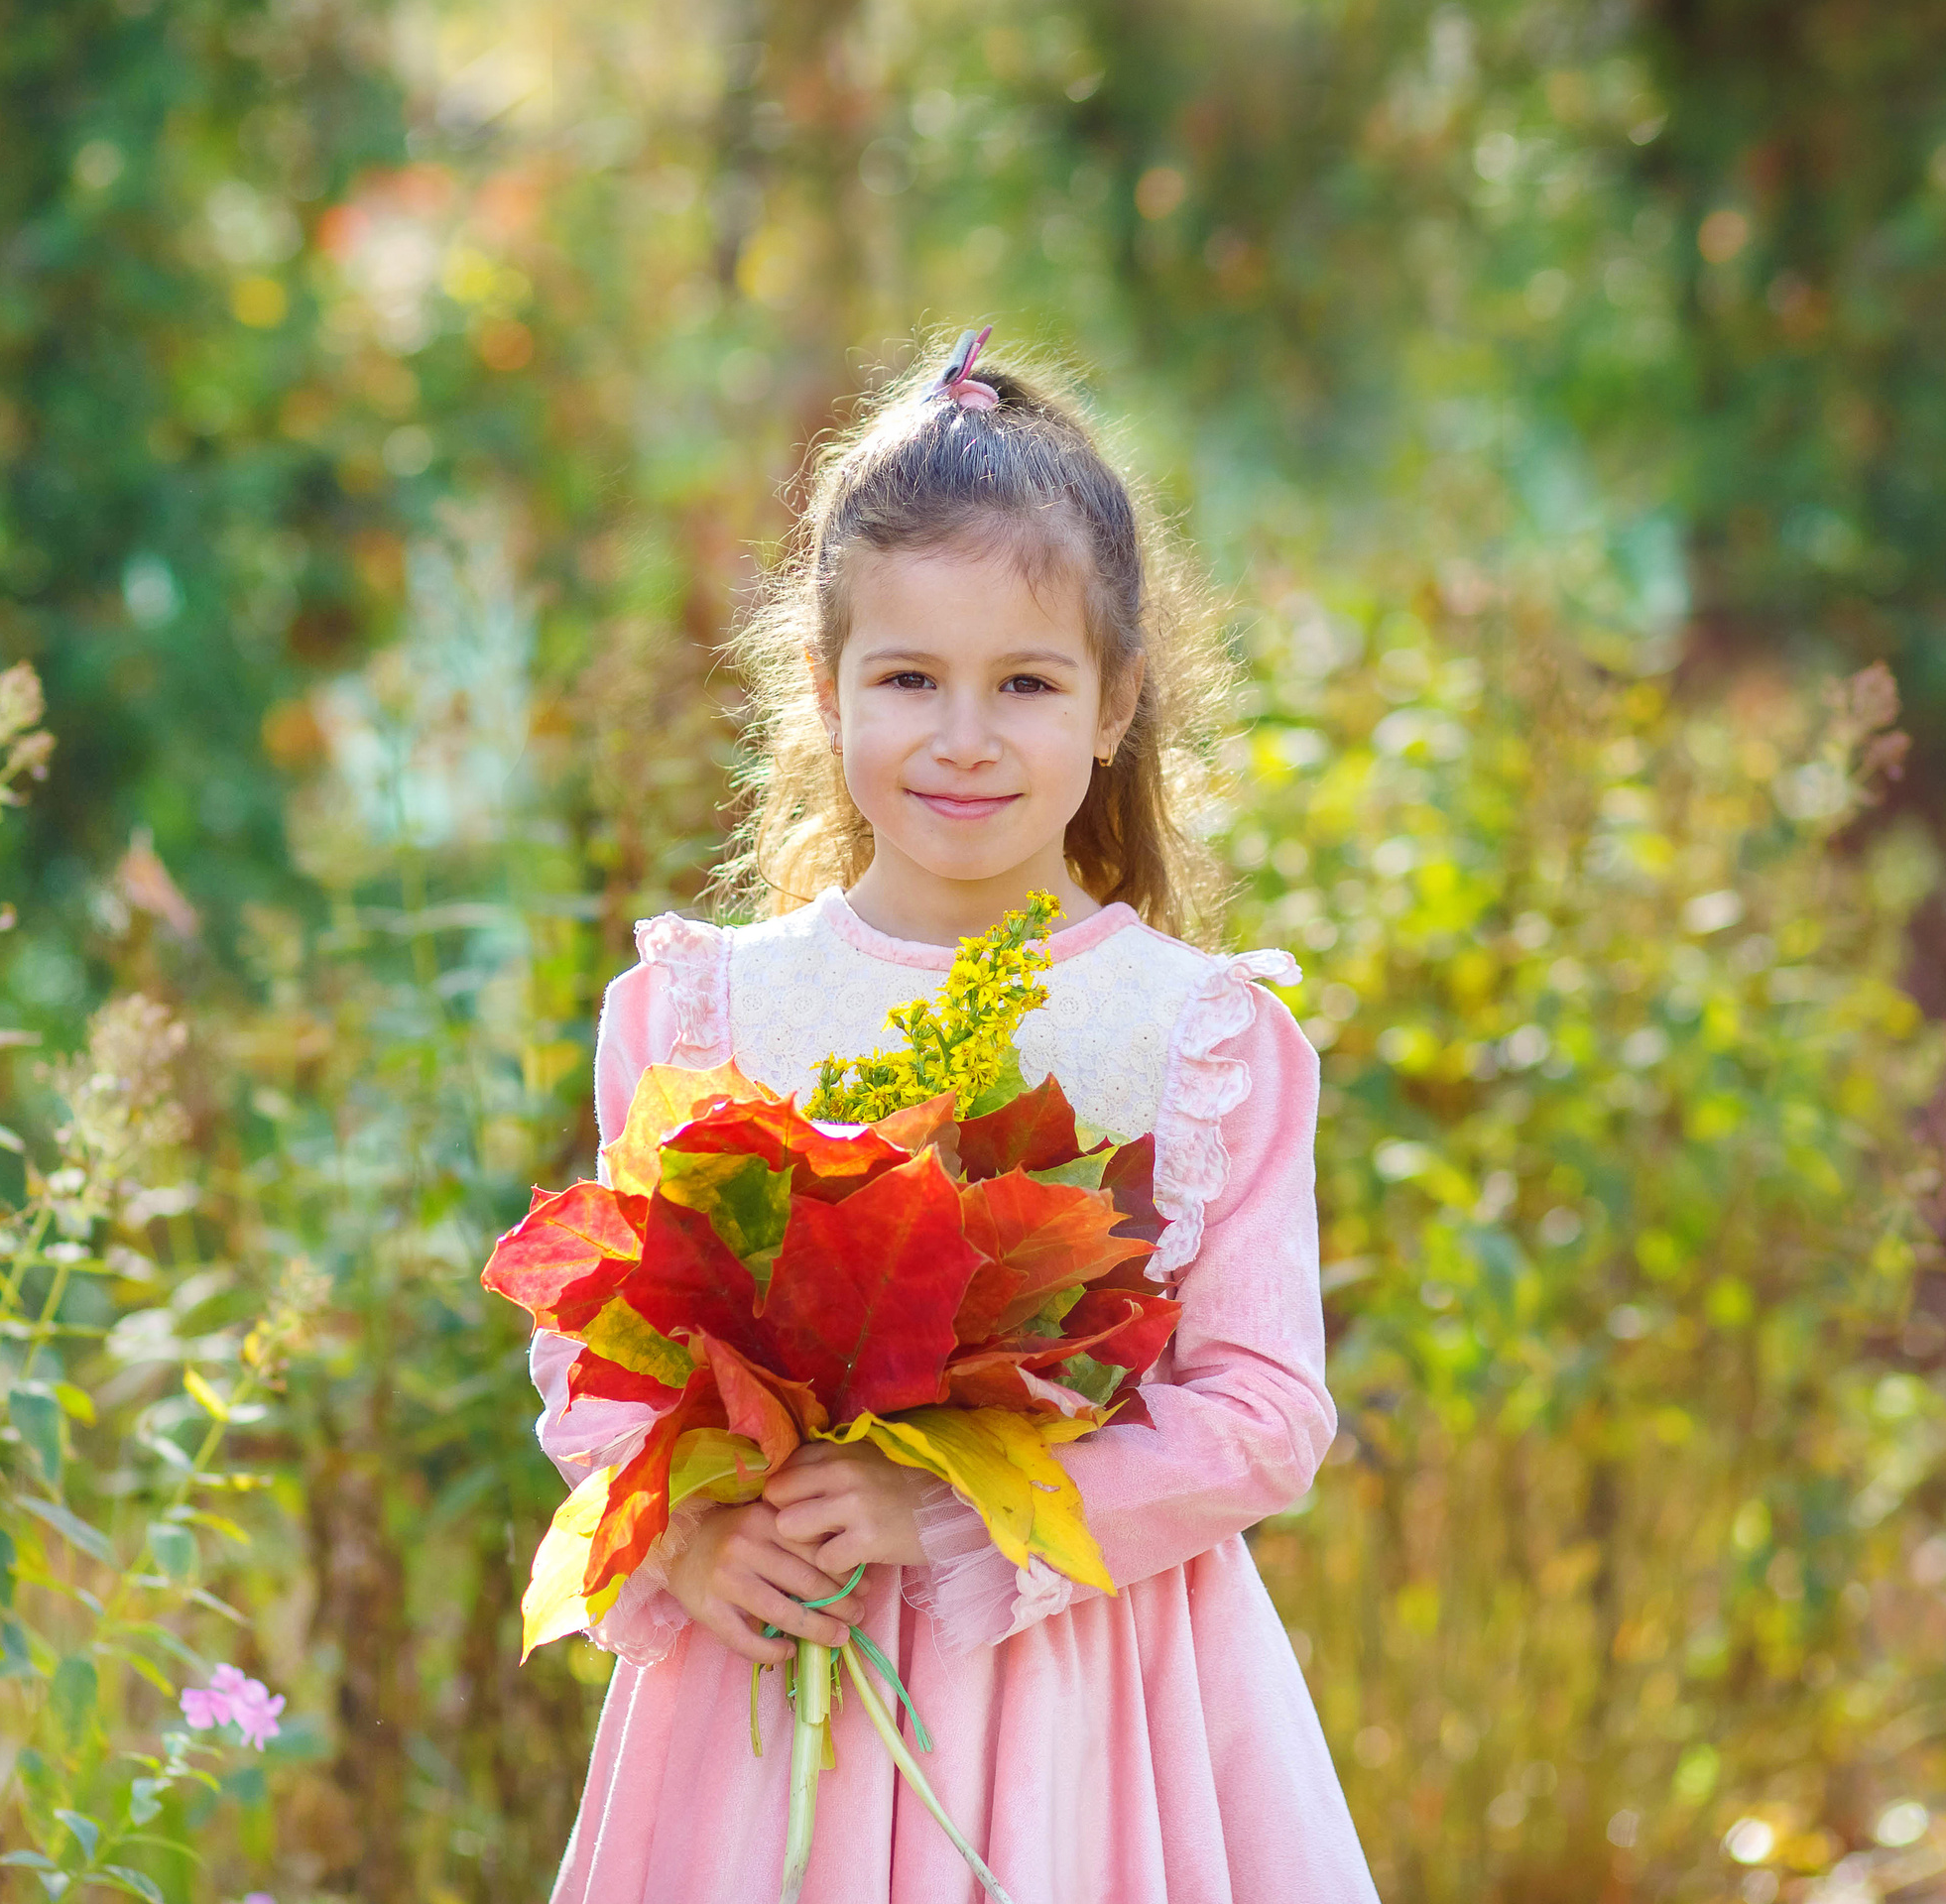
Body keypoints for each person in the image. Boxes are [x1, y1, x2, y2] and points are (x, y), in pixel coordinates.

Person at [529, 327, 1380, 1903]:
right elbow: (601, 1367)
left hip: (1085, 1715)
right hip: (769, 1693)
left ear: (1116, 703)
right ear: (824, 687)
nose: (965, 736)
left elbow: (1263, 1417)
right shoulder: (697, 1013)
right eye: (909, 678)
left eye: (1028, 683)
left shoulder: (1202, 1034)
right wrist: (691, 1543)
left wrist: (948, 1514)